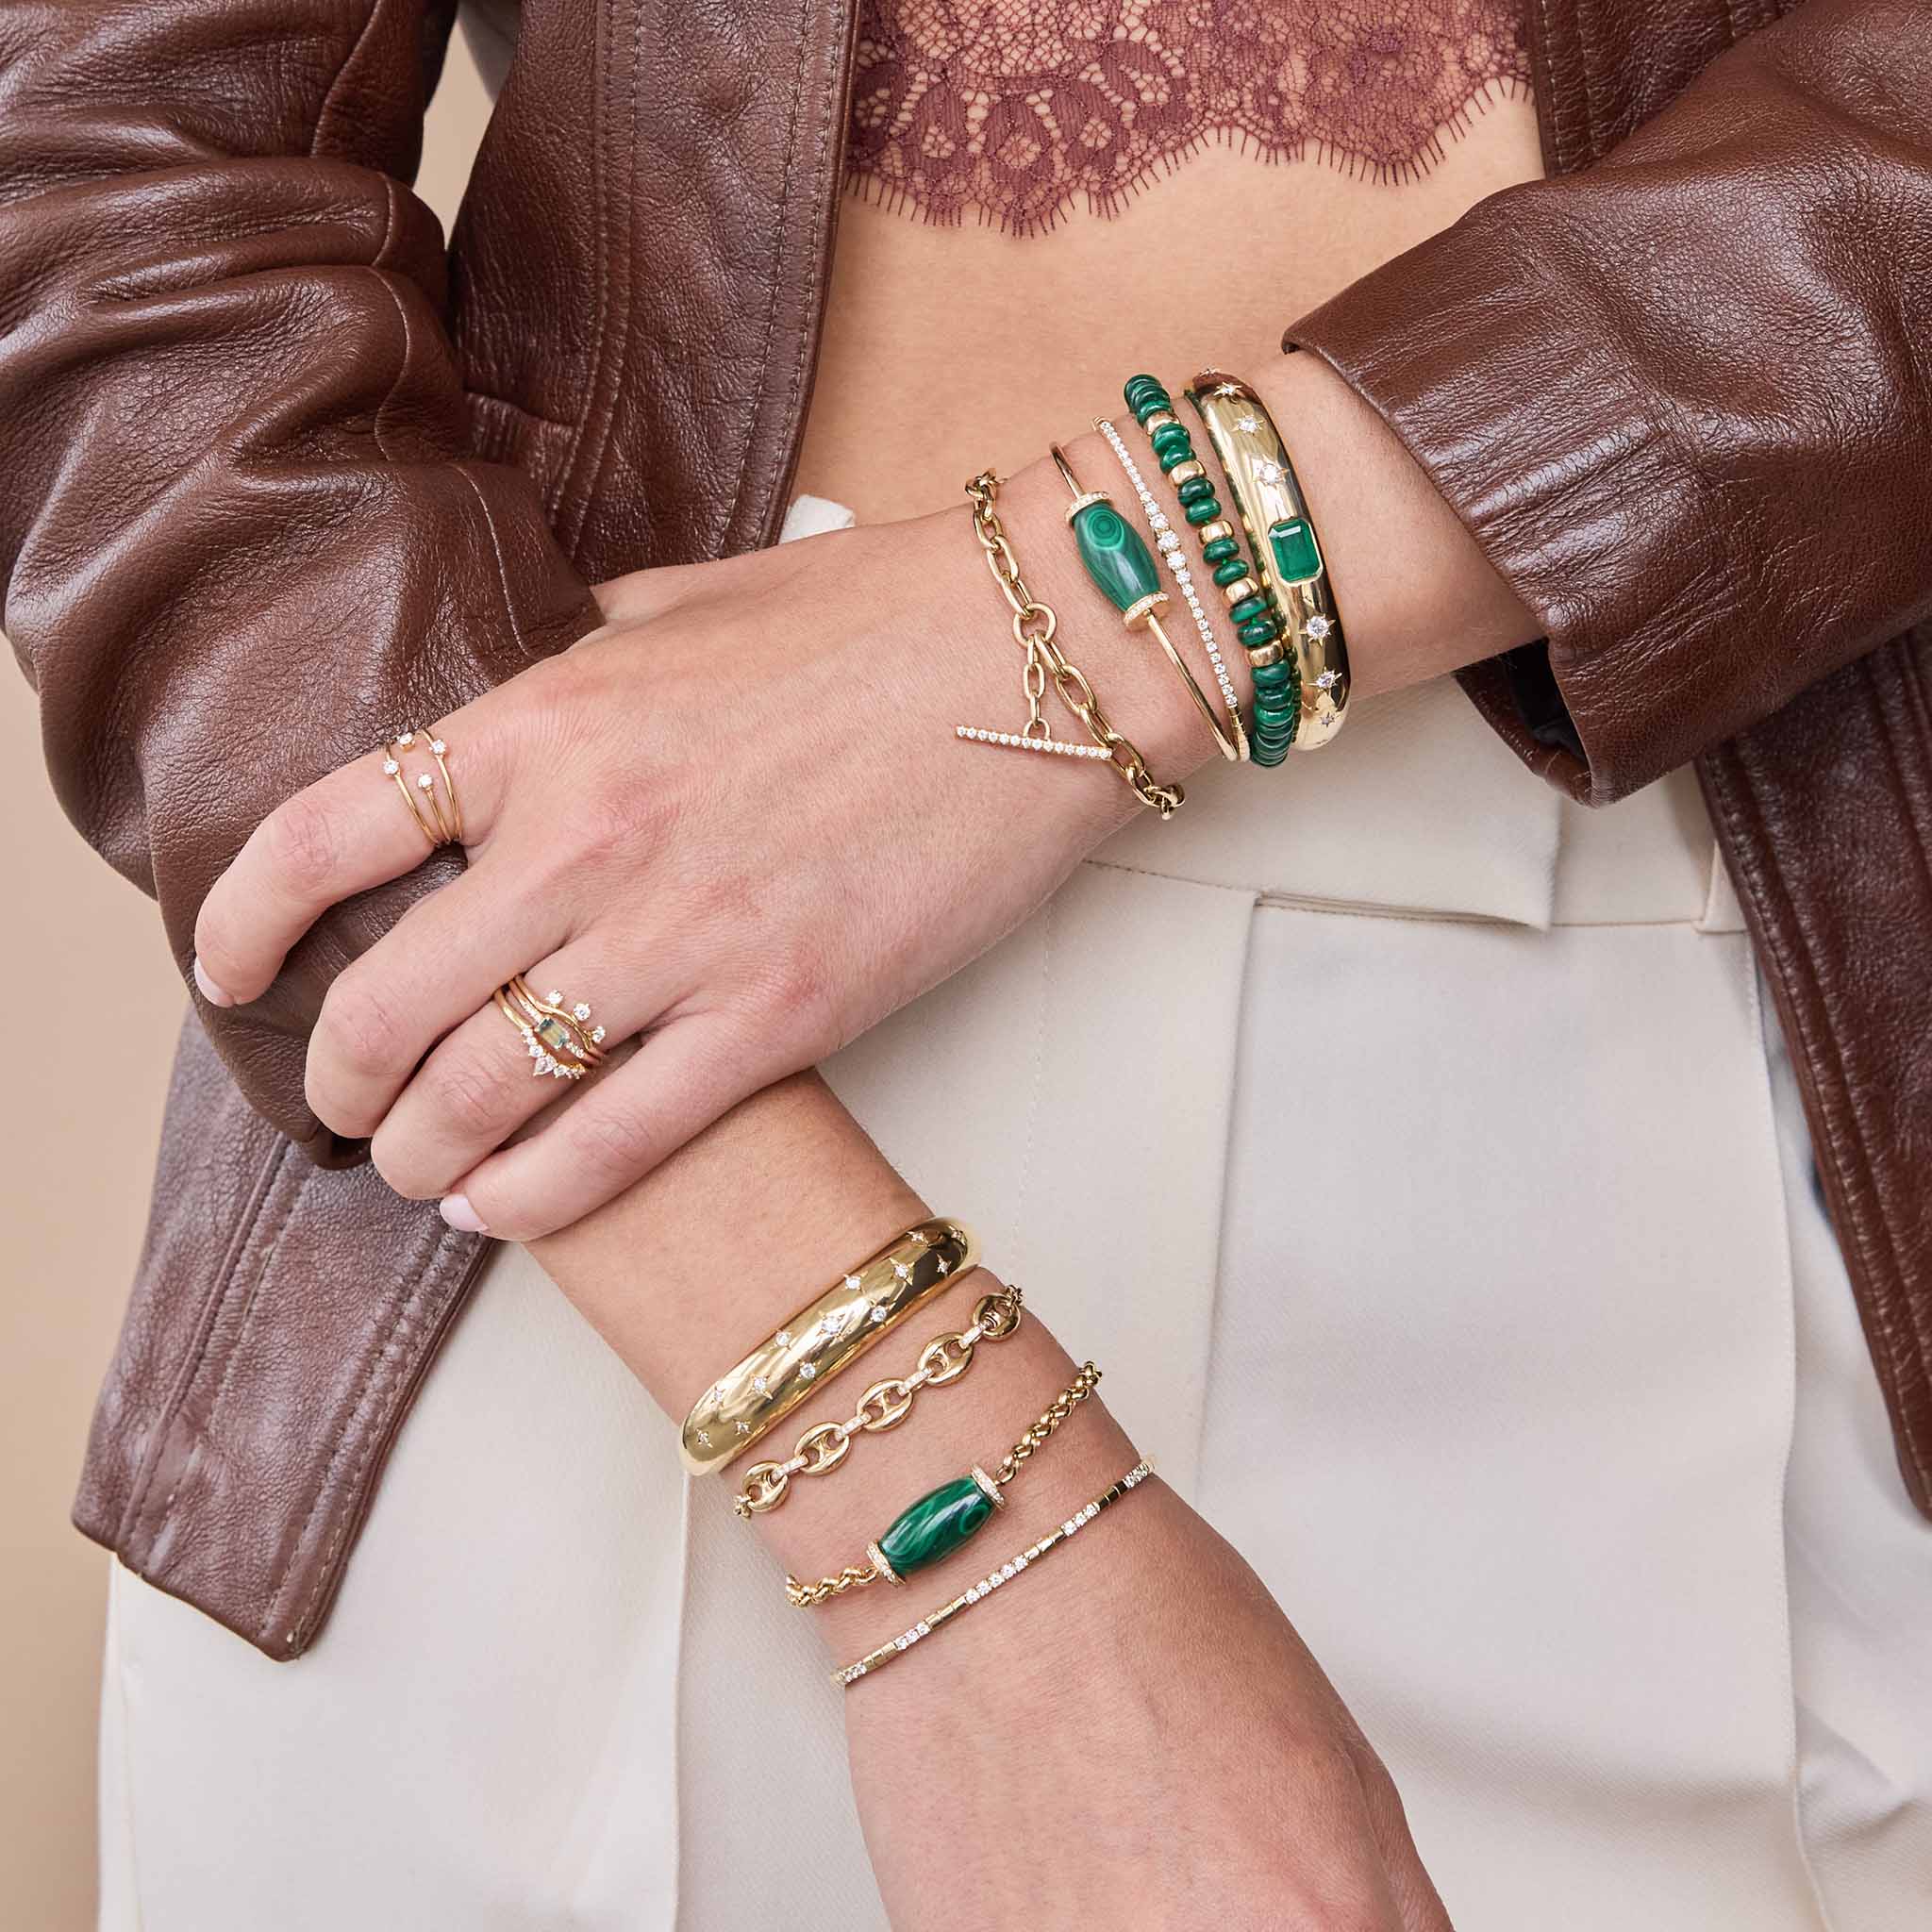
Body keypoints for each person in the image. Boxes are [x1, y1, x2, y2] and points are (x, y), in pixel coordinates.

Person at [7, 0, 1931, 1924]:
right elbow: (109, 196)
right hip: (653, 1150)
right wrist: (956, 1518)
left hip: (1780, 1052)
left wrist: (1109, 608)